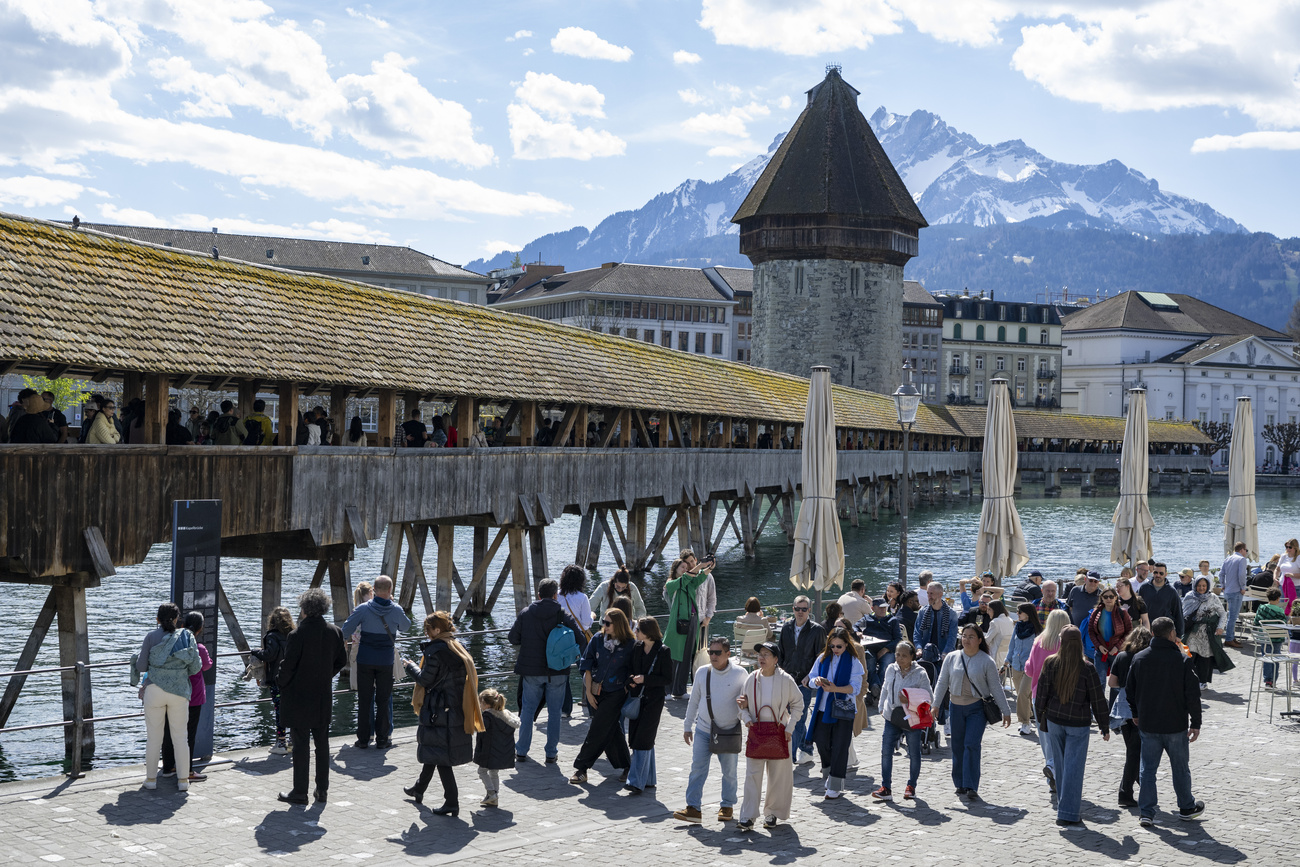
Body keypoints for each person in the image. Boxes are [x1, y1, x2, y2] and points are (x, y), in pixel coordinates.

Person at [1125, 617, 1205, 827]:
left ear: (1153, 634)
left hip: (1148, 723)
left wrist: (1135, 711)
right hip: (1175, 725)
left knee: (1148, 769)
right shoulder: (1182, 659)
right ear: (1172, 634)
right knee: (1180, 767)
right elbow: (1192, 695)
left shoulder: (1140, 658)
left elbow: (1130, 690)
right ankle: (1186, 806)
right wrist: (1196, 723)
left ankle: (1147, 812)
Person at [401, 612, 484, 815]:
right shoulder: (456, 646)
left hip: (438, 710)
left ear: (437, 630)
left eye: (428, 630)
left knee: (442, 757)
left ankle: (452, 802)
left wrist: (410, 667)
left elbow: (426, 680)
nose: (426, 634)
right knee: (435, 750)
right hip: (454, 706)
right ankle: (419, 789)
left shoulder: (435, 651)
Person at [1034, 626, 1110, 826]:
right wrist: (1104, 725)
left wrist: (1040, 716)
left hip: (1055, 720)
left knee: (1060, 766)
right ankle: (1068, 813)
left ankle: (1064, 808)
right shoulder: (1087, 668)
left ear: (1061, 642)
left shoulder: (1050, 663)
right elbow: (1098, 699)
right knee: (1074, 768)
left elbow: (1041, 694)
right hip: (1078, 723)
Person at [276, 589, 347, 805]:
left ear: (304, 609)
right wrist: (327, 675)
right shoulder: (335, 632)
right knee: (322, 744)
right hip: (322, 695)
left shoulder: (297, 635)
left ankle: (300, 791)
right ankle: (322, 790)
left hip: (299, 696)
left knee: (300, 745)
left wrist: (280, 681)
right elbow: (341, 661)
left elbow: (288, 667)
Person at [509, 577, 587, 762]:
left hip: (532, 672)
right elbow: (581, 640)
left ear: (538, 595)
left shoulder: (526, 613)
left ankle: (521, 750)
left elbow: (513, 638)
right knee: (554, 712)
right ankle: (551, 753)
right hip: (558, 671)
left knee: (527, 710)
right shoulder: (563, 615)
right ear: (555, 595)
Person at [932, 624, 1012, 801]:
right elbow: (942, 682)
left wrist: (1006, 711)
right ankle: (959, 783)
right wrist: (935, 704)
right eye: (964, 636)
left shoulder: (986, 661)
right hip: (955, 707)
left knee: (971, 744)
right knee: (958, 746)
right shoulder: (952, 658)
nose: (966, 640)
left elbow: (996, 688)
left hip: (977, 709)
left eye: (971, 637)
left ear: (979, 640)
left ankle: (971, 785)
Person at [674, 636, 746, 824]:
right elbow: (694, 700)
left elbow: (747, 702)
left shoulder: (740, 673)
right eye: (710, 652)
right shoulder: (702, 673)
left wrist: (747, 716)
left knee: (729, 772)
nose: (713, 656)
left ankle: (727, 806)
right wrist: (687, 725)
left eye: (717, 652)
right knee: (697, 768)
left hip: (729, 731)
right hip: (704, 729)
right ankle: (693, 809)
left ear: (728, 654)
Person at [735, 641, 803, 830]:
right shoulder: (751, 678)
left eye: (766, 654)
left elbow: (798, 704)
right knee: (752, 775)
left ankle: (772, 813)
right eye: (759, 654)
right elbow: (742, 705)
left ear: (775, 659)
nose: (761, 658)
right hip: (757, 732)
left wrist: (790, 728)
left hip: (780, 733)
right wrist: (746, 717)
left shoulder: (786, 679)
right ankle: (748, 816)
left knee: (778, 776)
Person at [340, 575, 412, 749]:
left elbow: (345, 630)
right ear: (390, 590)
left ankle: (363, 739)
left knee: (364, 700)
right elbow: (406, 627)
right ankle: (382, 739)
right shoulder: (396, 610)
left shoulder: (363, 609)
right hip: (385, 661)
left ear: (374, 589)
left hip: (365, 660)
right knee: (383, 700)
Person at [136, 602, 201, 791]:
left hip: (154, 691)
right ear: (177, 619)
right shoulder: (187, 636)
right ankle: (182, 781)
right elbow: (195, 667)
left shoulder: (151, 637)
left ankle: (150, 780)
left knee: (154, 738)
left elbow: (141, 667)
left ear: (157, 620)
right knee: (180, 737)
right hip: (179, 692)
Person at [570, 608, 636, 784]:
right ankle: (628, 766)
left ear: (618, 624)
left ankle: (581, 767)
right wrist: (589, 695)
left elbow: (634, 669)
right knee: (611, 729)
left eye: (607, 623)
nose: (604, 626)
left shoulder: (630, 644)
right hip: (596, 691)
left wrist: (626, 689)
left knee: (598, 728)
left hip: (616, 692)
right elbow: (587, 665)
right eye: (603, 622)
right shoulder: (598, 640)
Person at [802, 627, 864, 800]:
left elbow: (855, 688)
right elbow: (812, 679)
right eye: (832, 646)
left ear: (846, 645)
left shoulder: (853, 661)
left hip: (843, 708)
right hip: (823, 707)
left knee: (840, 746)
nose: (835, 650)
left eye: (839, 646)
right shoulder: (822, 658)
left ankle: (835, 785)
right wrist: (817, 681)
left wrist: (835, 688)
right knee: (821, 742)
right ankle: (829, 773)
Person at [873, 640, 930, 801]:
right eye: (897, 654)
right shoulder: (891, 669)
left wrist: (910, 698)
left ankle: (911, 786)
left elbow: (928, 697)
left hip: (912, 718)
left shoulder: (920, 673)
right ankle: (886, 788)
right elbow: (885, 687)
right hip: (892, 716)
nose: (900, 658)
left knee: (914, 753)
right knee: (886, 752)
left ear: (912, 657)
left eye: (904, 655)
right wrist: (881, 707)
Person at [160, 612, 212, 782]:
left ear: (182, 625)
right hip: (194, 696)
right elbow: (206, 665)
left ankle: (168, 767)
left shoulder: (173, 644)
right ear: (200, 629)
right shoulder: (200, 648)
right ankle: (188, 770)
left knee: (169, 731)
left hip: (173, 692)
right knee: (188, 734)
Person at [625, 616, 673, 794]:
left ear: (647, 632)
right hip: (637, 697)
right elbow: (630, 669)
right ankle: (650, 779)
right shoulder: (636, 648)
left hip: (654, 700)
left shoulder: (663, 651)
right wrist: (631, 680)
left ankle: (635, 781)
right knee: (641, 737)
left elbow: (667, 679)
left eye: (638, 630)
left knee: (642, 739)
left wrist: (645, 679)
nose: (635, 632)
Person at [1024, 609, 1071, 790]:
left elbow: (1029, 669)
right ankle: (1058, 771)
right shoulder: (1068, 643)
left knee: (1045, 738)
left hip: (1039, 695)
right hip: (1063, 695)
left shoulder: (1039, 641)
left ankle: (1051, 767)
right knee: (1062, 737)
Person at [777, 594, 826, 764]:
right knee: (793, 717)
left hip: (805, 681)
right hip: (788, 679)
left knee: (798, 718)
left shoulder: (817, 630)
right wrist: (781, 672)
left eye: (804, 609)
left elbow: (821, 657)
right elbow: (780, 653)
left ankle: (789, 756)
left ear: (809, 611)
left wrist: (810, 676)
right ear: (793, 609)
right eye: (797, 609)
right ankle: (807, 748)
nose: (800, 612)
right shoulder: (786, 628)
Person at [1107, 626, 1152, 808]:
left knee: (1133, 750)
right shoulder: (1148, 657)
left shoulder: (1122, 656)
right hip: (1142, 705)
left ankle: (1139, 785)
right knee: (1135, 752)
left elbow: (1112, 682)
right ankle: (1126, 792)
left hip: (1123, 706)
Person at [663, 550, 716, 698]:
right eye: (683, 568)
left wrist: (709, 568)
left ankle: (679, 690)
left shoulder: (689, 583)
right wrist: (700, 566)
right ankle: (667, 689)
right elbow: (685, 579)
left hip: (692, 620)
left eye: (687, 567)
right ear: (675, 570)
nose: (686, 570)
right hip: (678, 623)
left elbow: (699, 579)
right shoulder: (671, 583)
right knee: (673, 656)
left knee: (687, 656)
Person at [250, 606, 294, 755]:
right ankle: (293, 741)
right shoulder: (293, 635)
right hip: (292, 678)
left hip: (276, 680)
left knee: (279, 710)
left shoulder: (272, 636)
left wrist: (256, 651)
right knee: (291, 709)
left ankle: (281, 743)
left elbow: (269, 655)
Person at [1181, 577, 1232, 688]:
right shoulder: (1189, 596)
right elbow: (1183, 613)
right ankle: (1188, 679)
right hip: (1193, 632)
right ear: (1195, 585)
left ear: (1207, 586)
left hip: (1207, 633)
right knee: (1190, 656)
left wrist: (1220, 627)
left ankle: (1202, 681)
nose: (1201, 588)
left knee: (1205, 658)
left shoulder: (1213, 597)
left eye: (1204, 586)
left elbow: (1223, 613)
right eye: (1199, 585)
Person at [473, 688, 519, 808]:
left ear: (486, 704)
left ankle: (491, 793)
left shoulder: (487, 717)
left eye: (481, 703)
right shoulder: (505, 716)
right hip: (502, 752)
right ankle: (494, 797)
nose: (480, 705)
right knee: (494, 772)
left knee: (482, 771)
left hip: (489, 752)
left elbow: (478, 729)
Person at [1007, 603, 1043, 735]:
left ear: (1027, 613)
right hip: (1016, 665)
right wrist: (1007, 662)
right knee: (1022, 695)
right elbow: (1012, 646)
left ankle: (1024, 723)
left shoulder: (1038, 630)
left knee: (1023, 693)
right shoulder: (1017, 627)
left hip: (1031, 667)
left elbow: (1040, 650)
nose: (1017, 613)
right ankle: (1029, 714)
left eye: (1019, 611)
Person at [855, 597, 901, 695]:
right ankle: (876, 687)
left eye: (884, 607)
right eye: (880, 608)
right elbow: (854, 626)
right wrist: (857, 632)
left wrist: (886, 649)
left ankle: (877, 690)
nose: (883, 610)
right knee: (869, 666)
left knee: (885, 667)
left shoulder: (892, 620)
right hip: (871, 648)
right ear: (873, 608)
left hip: (887, 649)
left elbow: (898, 639)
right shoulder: (866, 619)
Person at [1087, 587, 1132, 682]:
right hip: (1100, 652)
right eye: (1106, 596)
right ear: (1102, 598)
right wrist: (1098, 646)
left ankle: (1114, 698)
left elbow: (1129, 632)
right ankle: (1101, 697)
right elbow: (1091, 631)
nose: (1108, 599)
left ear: (1116, 598)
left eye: (1111, 596)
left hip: (1117, 652)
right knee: (1099, 681)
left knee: (1116, 682)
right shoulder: (1096, 612)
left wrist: (1117, 646)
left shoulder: (1122, 613)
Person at [913, 582, 958, 665]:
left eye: (931, 594)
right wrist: (919, 649)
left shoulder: (952, 614)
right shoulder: (923, 612)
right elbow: (917, 633)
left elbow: (952, 637)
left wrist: (945, 653)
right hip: (926, 654)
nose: (929, 597)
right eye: (928, 593)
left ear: (940, 594)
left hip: (944, 653)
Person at [1253, 589, 1288, 688]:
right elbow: (1283, 625)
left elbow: (1256, 622)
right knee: (1275, 658)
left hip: (1264, 637)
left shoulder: (1261, 608)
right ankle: (1273, 680)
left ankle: (1267, 680)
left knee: (1266, 657)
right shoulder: (1280, 610)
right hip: (1276, 639)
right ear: (1278, 599)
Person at [1138, 563, 1184, 635]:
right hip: (1147, 629)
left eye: (1161, 573)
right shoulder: (1144, 588)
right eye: (1156, 572)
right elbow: (1138, 608)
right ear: (1152, 573)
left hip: (1165, 630)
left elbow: (1178, 613)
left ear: (1166, 574)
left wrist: (1179, 634)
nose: (1158, 575)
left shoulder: (1171, 591)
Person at [1218, 542, 1249, 648]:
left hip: (1227, 591)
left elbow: (1221, 574)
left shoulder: (1227, 559)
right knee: (1233, 616)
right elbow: (1241, 575)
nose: (1246, 552)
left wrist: (1223, 585)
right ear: (1242, 550)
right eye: (1246, 550)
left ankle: (1230, 636)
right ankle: (1229, 639)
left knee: (1231, 615)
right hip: (1236, 591)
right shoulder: (1241, 559)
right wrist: (1243, 587)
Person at [345, 581, 374, 691]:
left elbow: (346, 630)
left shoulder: (355, 611)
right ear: (371, 592)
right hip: (373, 648)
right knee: (381, 688)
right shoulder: (376, 610)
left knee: (363, 689)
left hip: (357, 649)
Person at [985, 600, 1014, 669]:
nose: (987, 612)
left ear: (995, 610)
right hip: (1006, 656)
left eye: (989, 609)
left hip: (995, 656)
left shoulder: (995, 622)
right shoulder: (1010, 620)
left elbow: (986, 641)